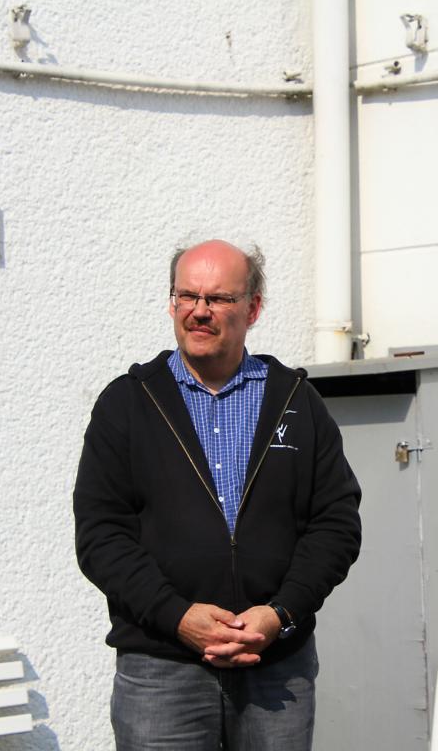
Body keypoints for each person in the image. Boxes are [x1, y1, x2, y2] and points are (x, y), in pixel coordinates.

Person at [74, 240, 362, 751]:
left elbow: (335, 524)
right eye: (187, 295)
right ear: (172, 303)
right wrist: (178, 617)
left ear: (253, 308)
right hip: (161, 670)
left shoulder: (296, 401)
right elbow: (102, 535)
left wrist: (281, 613)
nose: (200, 311)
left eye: (219, 298)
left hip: (276, 667)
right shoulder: (128, 404)